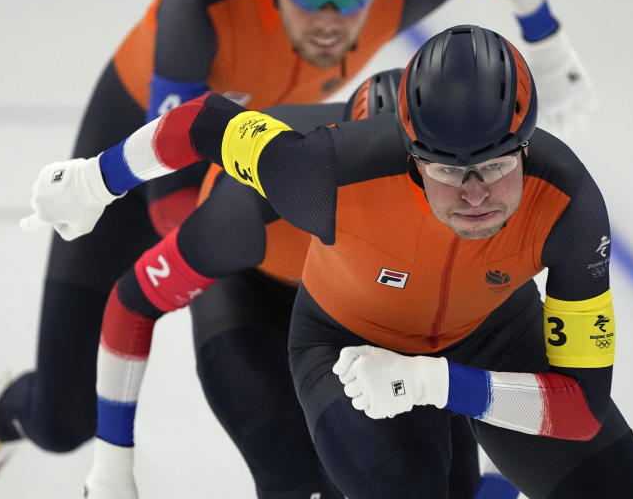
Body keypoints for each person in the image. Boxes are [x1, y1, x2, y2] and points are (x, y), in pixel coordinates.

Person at [0, 0, 594, 497]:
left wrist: (548, 44)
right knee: (64, 419)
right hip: (163, 172)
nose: (333, 23)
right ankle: (4, 417)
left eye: (353, 0)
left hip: (270, 177)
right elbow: (178, 202)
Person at [23, 24, 633, 498]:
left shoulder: (570, 204)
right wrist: (92, 182)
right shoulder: (321, 174)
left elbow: (579, 409)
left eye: (495, 166)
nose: (474, 195)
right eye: (447, 169)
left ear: (528, 146)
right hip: (349, 345)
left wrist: (433, 382)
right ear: (409, 154)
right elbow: (204, 123)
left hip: (491, 328)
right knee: (352, 482)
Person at [85, 70, 497, 499]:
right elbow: (132, 303)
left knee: (445, 485)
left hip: (369, 306)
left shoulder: (474, 207)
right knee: (293, 477)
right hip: (253, 294)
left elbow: (515, 360)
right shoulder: (253, 209)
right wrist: (111, 463)